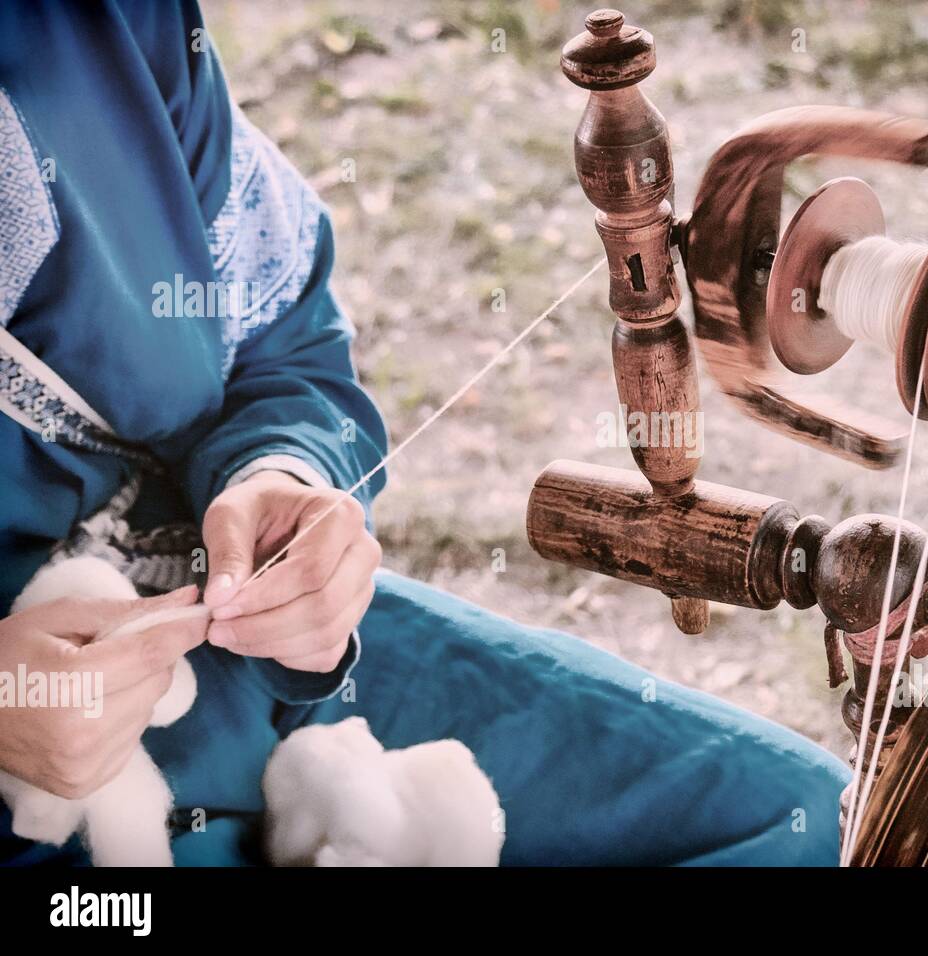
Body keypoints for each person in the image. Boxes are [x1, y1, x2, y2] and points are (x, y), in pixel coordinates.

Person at [0, 0, 848, 866]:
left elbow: (279, 337)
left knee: (806, 824)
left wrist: (283, 476)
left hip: (247, 643)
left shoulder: (105, 25)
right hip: (32, 803)